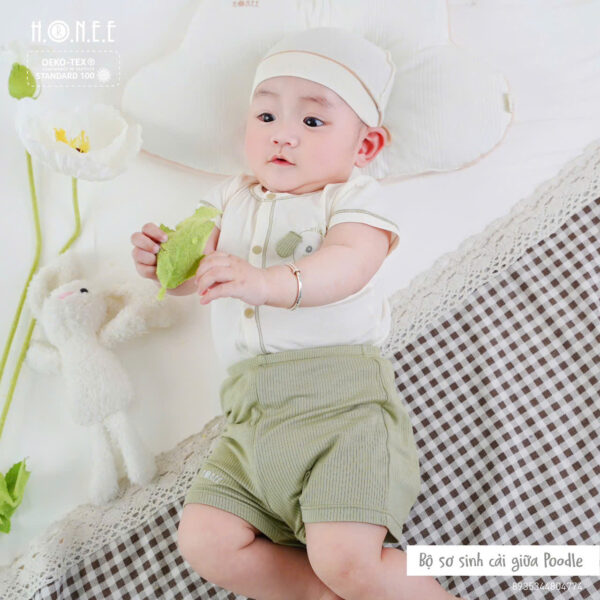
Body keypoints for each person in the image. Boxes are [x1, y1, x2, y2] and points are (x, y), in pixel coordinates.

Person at [131, 27, 460, 600]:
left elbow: (349, 264)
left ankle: (358, 584)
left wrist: (266, 283)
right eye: (266, 117)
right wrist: (166, 266)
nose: (283, 134)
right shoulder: (231, 197)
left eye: (312, 121)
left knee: (345, 559)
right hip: (250, 424)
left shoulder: (350, 199)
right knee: (204, 541)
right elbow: (200, 271)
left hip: (340, 413)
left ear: (365, 147)